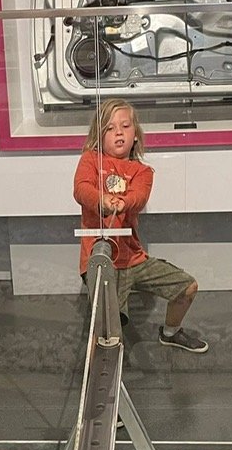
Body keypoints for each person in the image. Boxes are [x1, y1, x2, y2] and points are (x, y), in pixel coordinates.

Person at [73, 98, 208, 354]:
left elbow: (139, 197)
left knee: (188, 287)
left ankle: (170, 333)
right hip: (100, 259)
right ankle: (99, 357)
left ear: (135, 134)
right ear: (99, 135)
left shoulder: (142, 171)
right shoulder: (90, 160)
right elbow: (81, 189)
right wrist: (102, 200)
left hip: (133, 259)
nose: (119, 132)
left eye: (125, 126)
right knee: (108, 324)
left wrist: (122, 203)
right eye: (110, 128)